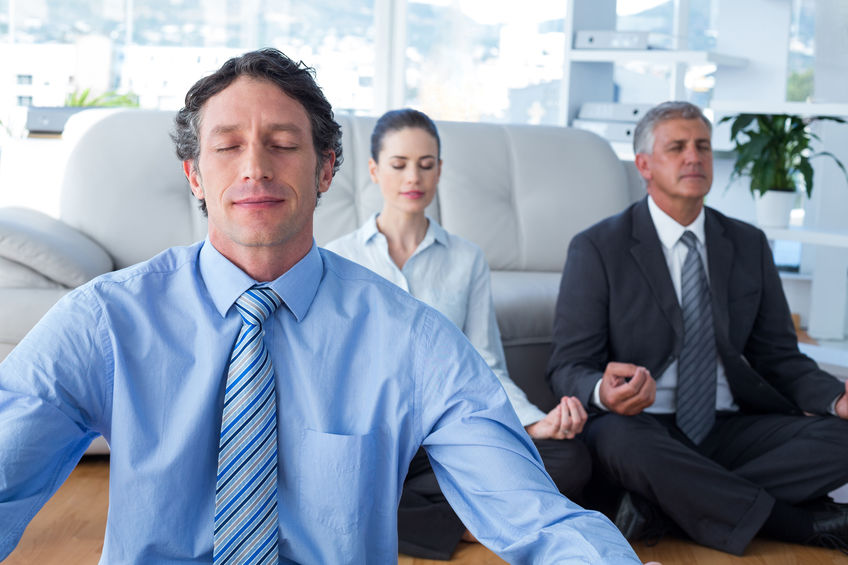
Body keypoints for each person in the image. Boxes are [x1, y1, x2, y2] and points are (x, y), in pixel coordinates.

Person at [0, 48, 642, 564]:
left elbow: (533, 514)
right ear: (195, 175)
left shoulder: (413, 340)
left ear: (326, 169)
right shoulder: (104, 321)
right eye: (226, 146)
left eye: (282, 143)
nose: (254, 166)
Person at [546, 100, 848, 556]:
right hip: (642, 428)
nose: (695, 157)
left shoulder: (747, 244)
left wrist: (836, 397)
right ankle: (797, 524)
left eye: (703, 146)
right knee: (617, 442)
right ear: (644, 165)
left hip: (729, 427)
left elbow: (779, 358)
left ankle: (661, 506)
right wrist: (602, 393)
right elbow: (567, 366)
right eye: (678, 147)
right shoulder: (597, 247)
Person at [325, 108, 592, 560]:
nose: (414, 176)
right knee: (325, 480)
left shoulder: (466, 259)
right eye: (399, 163)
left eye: (427, 164)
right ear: (373, 170)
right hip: (374, 436)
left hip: (447, 431)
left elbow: (485, 364)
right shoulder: (338, 259)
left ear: (440, 171)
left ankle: (416, 519)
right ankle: (467, 524)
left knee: (570, 460)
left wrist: (532, 424)